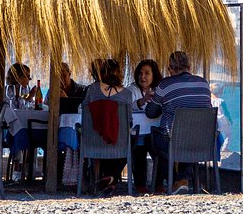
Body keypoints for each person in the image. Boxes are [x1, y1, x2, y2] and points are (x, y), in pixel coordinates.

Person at [149, 50, 212, 193]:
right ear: (189, 67)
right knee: (189, 136)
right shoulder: (203, 84)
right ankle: (182, 179)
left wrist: (159, 101)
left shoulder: (165, 84)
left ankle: (176, 180)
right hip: (203, 140)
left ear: (170, 69)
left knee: (153, 141)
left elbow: (151, 112)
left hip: (174, 140)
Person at [79, 58, 135, 194]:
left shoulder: (92, 89)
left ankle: (108, 179)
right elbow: (129, 121)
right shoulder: (127, 94)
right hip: (117, 142)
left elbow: (84, 109)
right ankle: (112, 176)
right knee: (132, 140)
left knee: (105, 137)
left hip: (94, 139)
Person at [127, 59, 164, 194]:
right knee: (139, 149)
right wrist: (143, 100)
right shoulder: (132, 90)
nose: (143, 76)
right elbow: (127, 107)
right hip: (137, 132)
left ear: (154, 75)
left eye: (147, 73)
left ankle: (159, 184)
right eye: (140, 73)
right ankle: (140, 185)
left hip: (155, 131)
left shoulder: (160, 90)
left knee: (159, 151)